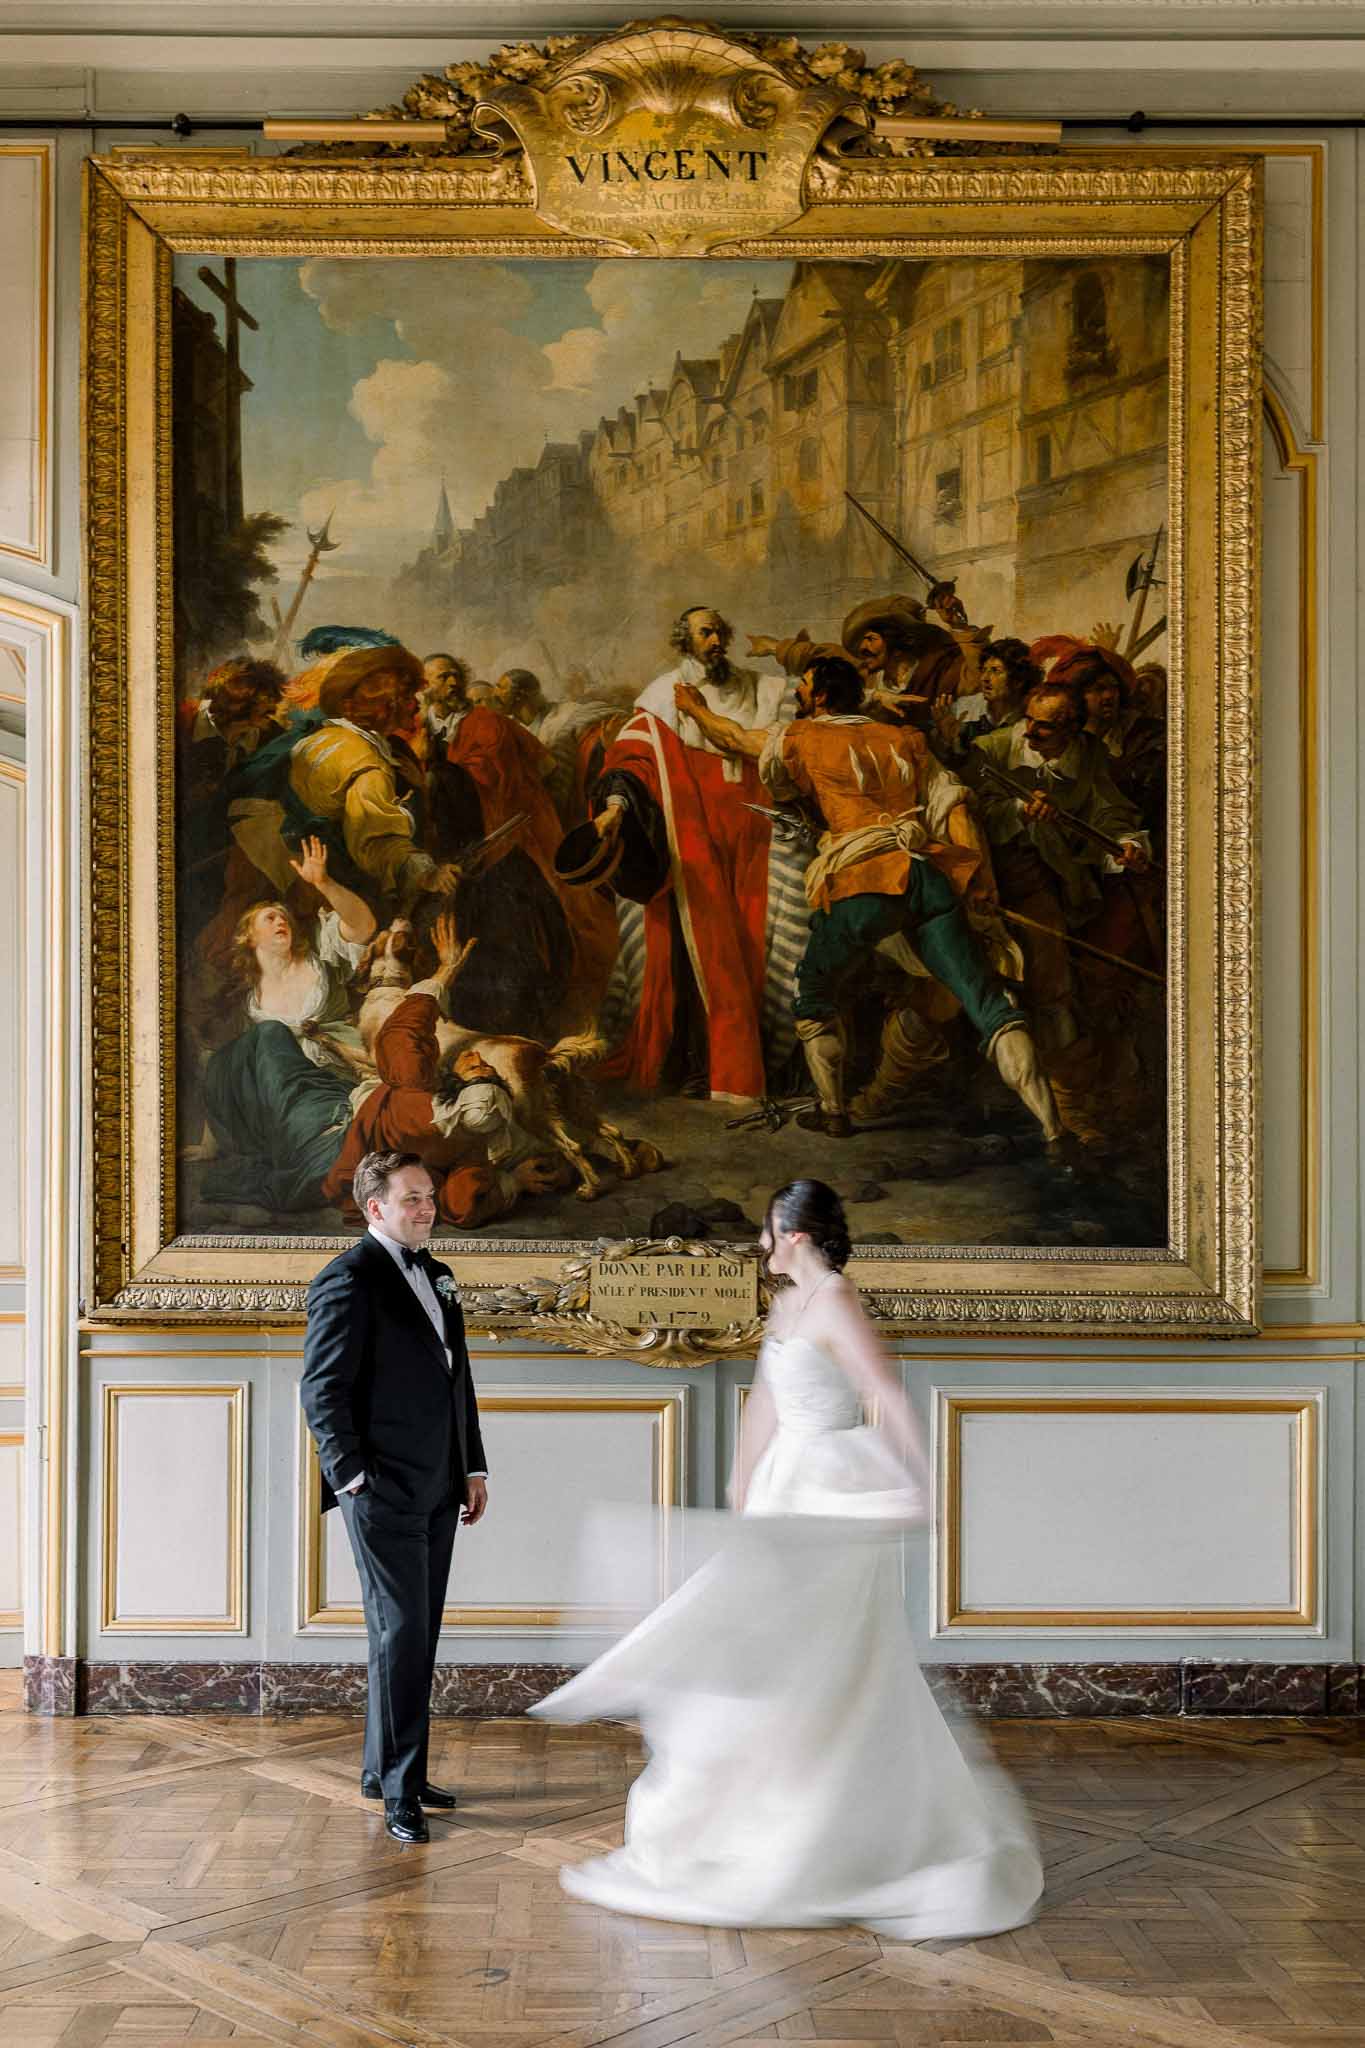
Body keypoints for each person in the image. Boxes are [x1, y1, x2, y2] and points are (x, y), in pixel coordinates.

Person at [532, 1179, 1042, 1938]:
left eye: (771, 1231)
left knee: (828, 1659)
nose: (763, 1244)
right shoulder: (783, 1306)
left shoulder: (836, 1300)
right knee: (767, 1652)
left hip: (830, 1489)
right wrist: (742, 1478)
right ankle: (757, 1812)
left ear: (797, 1235)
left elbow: (883, 1393)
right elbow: (765, 1401)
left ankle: (835, 1826)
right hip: (780, 1490)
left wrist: (922, 1481)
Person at [675, 654, 1060, 1144]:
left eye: (805, 687)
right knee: (989, 1004)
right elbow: (955, 806)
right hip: (926, 877)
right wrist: (978, 886)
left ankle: (834, 1112)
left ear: (817, 697)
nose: (799, 694)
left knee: (813, 996)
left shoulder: (800, 737)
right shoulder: (905, 739)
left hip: (860, 883)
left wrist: (694, 708)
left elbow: (729, 737)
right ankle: (1054, 1130)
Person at [300, 1149, 488, 1846]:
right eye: (412, 1199)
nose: (427, 1208)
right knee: (402, 1633)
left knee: (411, 1634)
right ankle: (401, 1792)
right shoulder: (346, 1279)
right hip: (379, 1489)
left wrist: (472, 1467)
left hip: (440, 1482)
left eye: (429, 1196)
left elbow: (455, 1380)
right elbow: (321, 1390)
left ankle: (387, 1770)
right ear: (374, 1208)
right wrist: (351, 1478)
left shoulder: (438, 1276)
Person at [589, 604, 806, 1102]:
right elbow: (632, 762)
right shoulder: (663, 697)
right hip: (697, 846)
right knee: (698, 956)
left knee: (766, 950)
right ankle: (699, 1065)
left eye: (719, 632)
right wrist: (617, 807)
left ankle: (770, 1064)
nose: (716, 641)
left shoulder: (765, 690)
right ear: (685, 643)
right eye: (705, 634)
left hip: (756, 842)